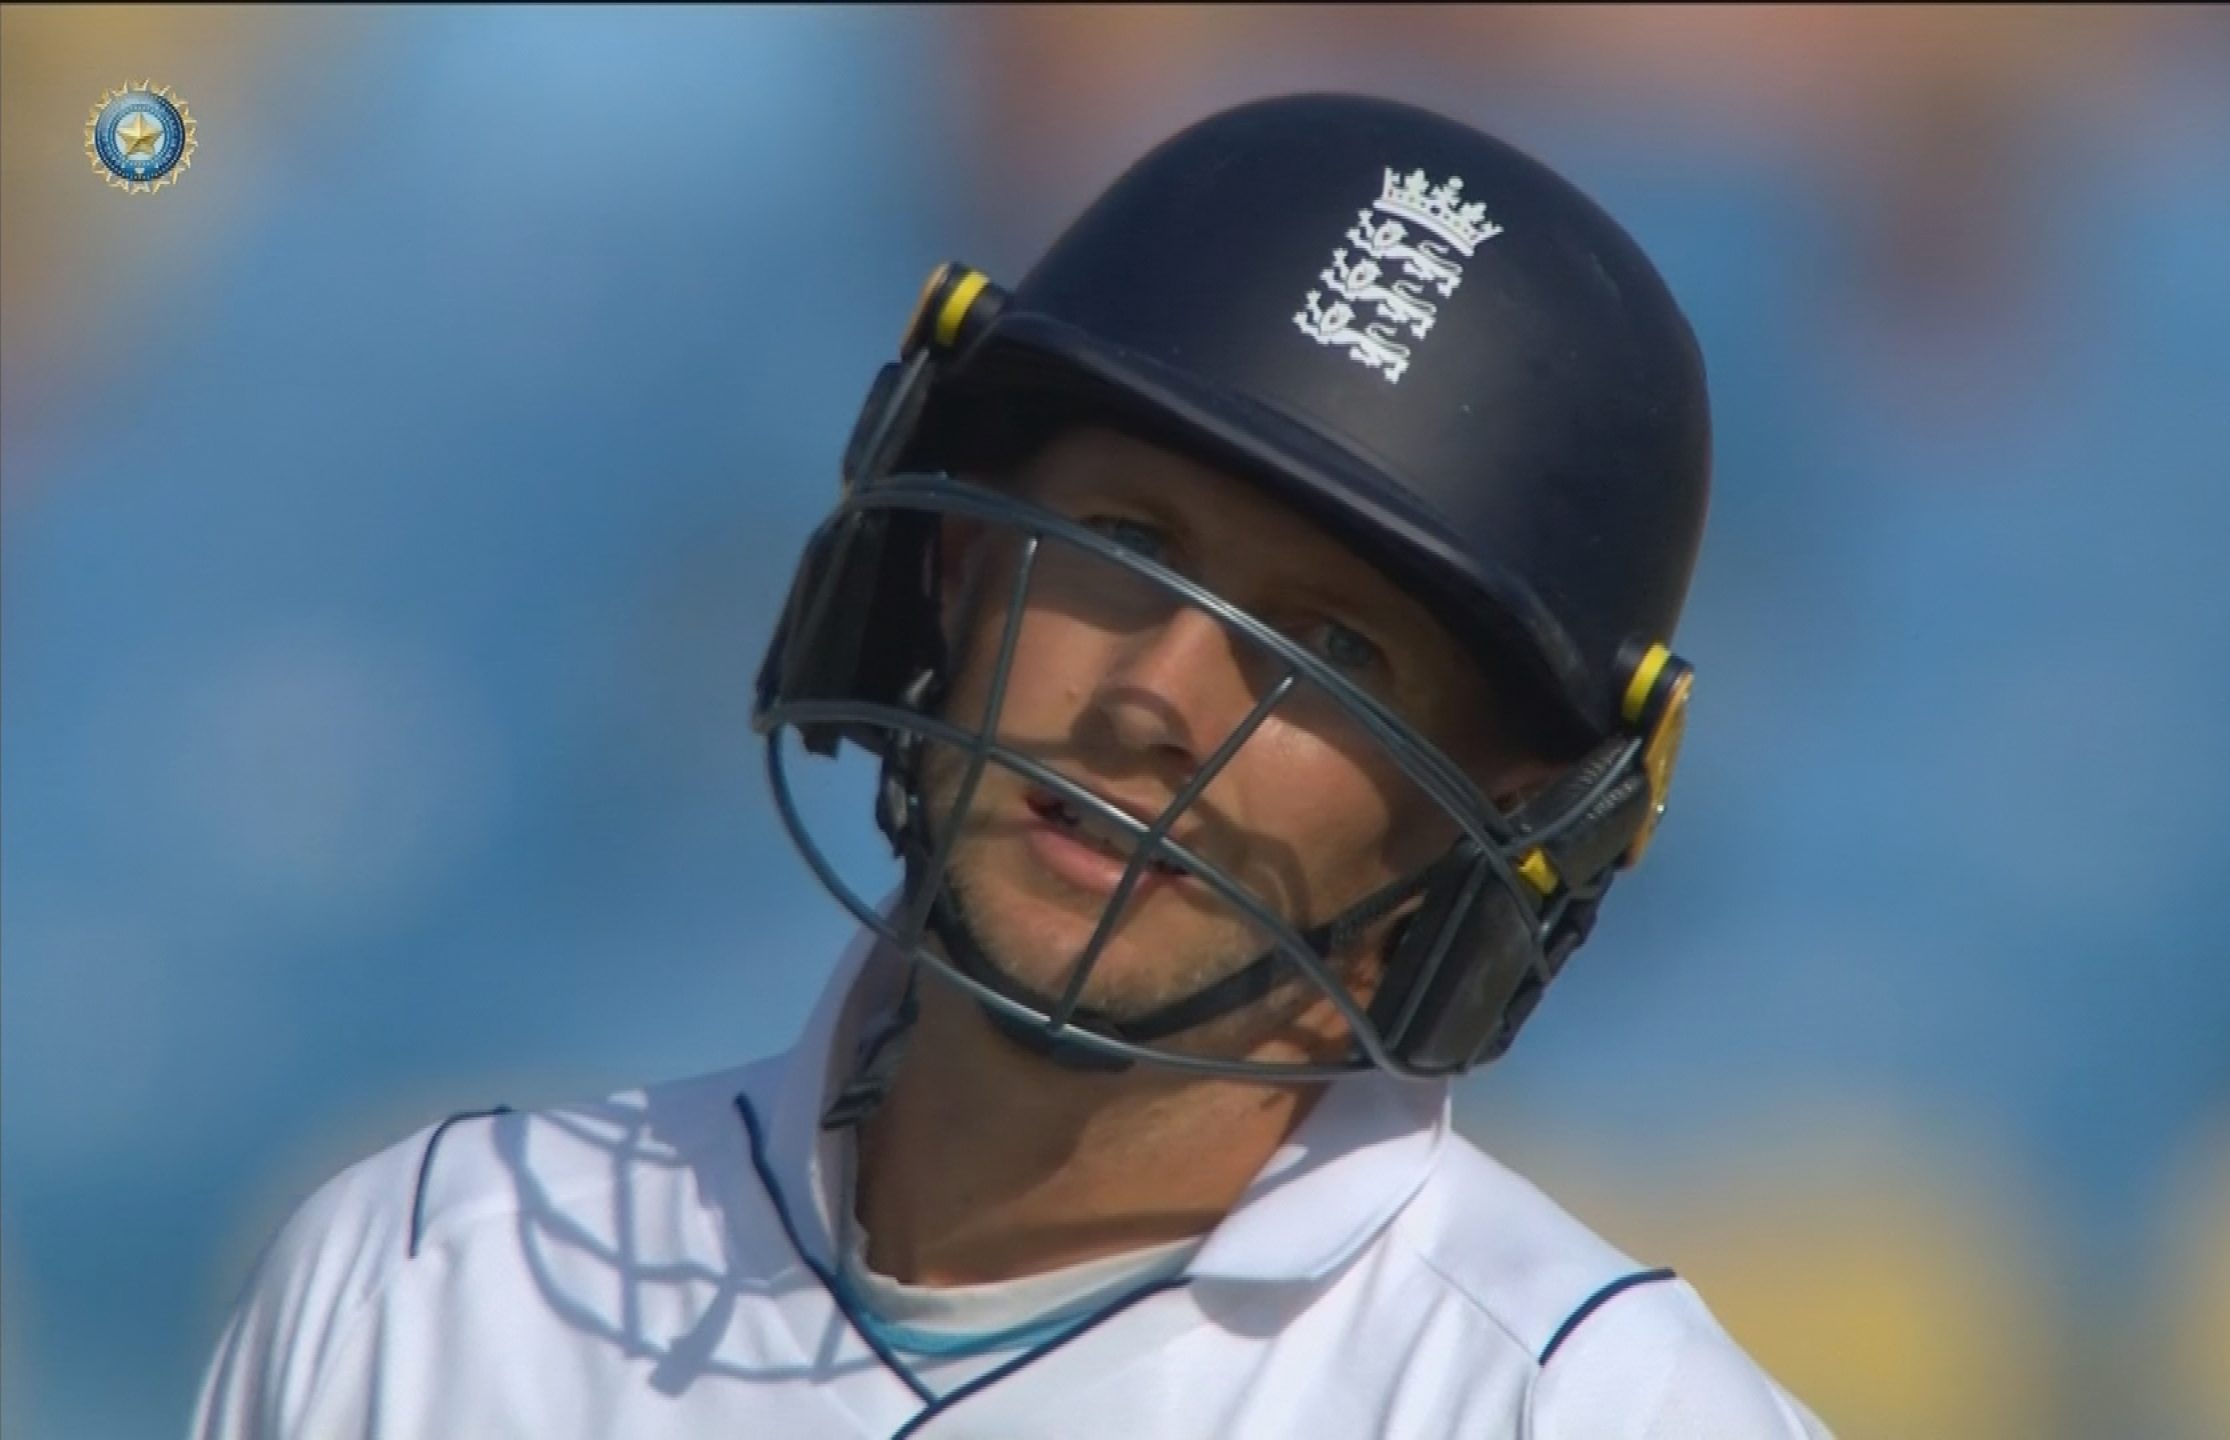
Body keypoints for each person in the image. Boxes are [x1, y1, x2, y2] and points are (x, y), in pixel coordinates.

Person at [191, 92, 1831, 1439]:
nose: (1158, 699)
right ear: (960, 573)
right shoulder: (429, 1280)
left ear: (1502, 814)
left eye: (1334, 650)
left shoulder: (1585, 1411)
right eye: (1125, 544)